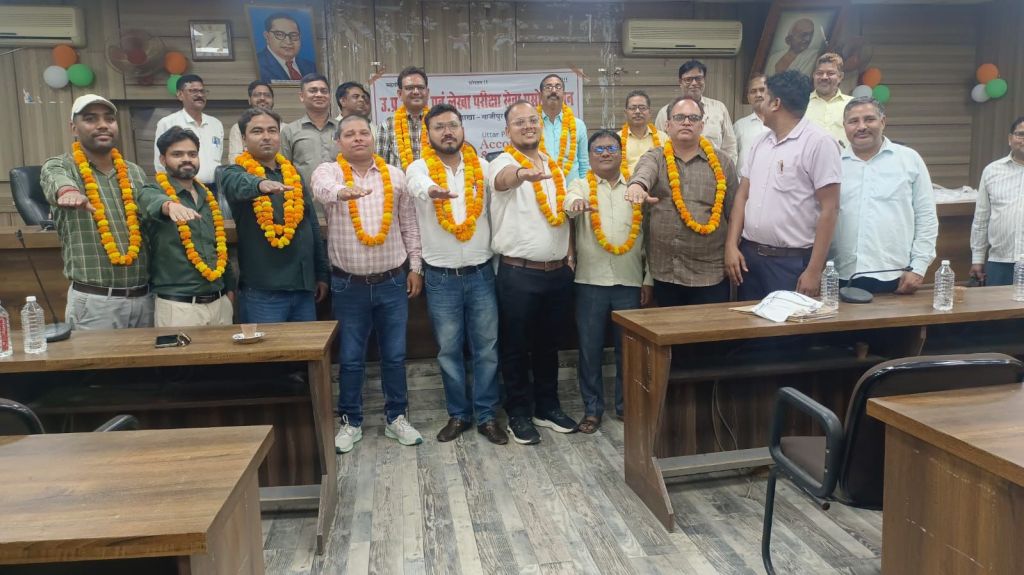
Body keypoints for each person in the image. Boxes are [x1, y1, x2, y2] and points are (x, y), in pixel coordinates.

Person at [311, 114, 424, 454]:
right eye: (350, 134)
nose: (358, 138)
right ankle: (351, 421)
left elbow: (409, 225)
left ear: (373, 139)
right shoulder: (329, 171)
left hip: (392, 282)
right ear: (338, 141)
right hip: (349, 286)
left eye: (364, 133)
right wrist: (343, 192)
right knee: (350, 357)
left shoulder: (394, 175)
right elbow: (320, 189)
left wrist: (415, 267)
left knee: (395, 355)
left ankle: (396, 418)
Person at [405, 104, 507, 445]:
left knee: (487, 349)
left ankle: (487, 416)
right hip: (441, 277)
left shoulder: (482, 167)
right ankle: (459, 414)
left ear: (463, 129)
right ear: (428, 133)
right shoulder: (419, 168)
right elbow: (416, 184)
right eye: (439, 127)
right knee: (448, 350)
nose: (447, 132)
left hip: (481, 273)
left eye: (453, 125)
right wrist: (430, 190)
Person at [488, 100, 577, 445]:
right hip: (518, 275)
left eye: (532, 120)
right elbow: (502, 181)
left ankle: (547, 407)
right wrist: (521, 175)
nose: (528, 126)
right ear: (507, 130)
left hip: (557, 273)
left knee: (548, 346)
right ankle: (518, 413)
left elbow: (560, 213)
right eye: (519, 122)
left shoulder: (552, 165)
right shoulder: (502, 162)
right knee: (515, 347)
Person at [724, 70, 841, 300]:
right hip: (750, 258)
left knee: (788, 323)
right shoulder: (760, 142)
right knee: (747, 321)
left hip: (791, 263)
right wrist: (731, 245)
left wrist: (814, 270)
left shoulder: (819, 143)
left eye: (765, 96)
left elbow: (830, 209)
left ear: (776, 103)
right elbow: (742, 196)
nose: (760, 101)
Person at [564, 131, 652, 433]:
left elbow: (648, 237)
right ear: (590, 156)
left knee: (628, 351)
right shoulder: (581, 185)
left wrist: (648, 279)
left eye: (611, 148)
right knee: (589, 351)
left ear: (620, 153)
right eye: (598, 149)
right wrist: (576, 204)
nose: (605, 153)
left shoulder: (636, 189)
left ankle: (627, 407)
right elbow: (568, 203)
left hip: (630, 282)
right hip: (590, 282)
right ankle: (592, 410)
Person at [41, 94, 153, 329]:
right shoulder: (61, 165)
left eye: (109, 119)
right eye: (91, 119)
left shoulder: (135, 172)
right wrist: (68, 191)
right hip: (95, 303)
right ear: (74, 128)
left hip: (145, 299)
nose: (103, 125)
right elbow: (56, 180)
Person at [219, 108, 330, 322]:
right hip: (264, 292)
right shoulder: (235, 173)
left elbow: (311, 225)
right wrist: (260, 185)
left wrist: (321, 274)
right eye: (257, 131)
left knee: (308, 344)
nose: (266, 136)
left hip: (304, 287)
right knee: (266, 345)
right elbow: (237, 185)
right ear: (244, 138)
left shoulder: (292, 173)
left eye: (272, 130)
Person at [626, 97, 738, 306]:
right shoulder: (655, 157)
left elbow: (734, 213)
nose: (686, 122)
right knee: (669, 326)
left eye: (693, 118)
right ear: (668, 125)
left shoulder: (723, 162)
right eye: (679, 117)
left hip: (710, 272)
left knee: (709, 327)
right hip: (666, 271)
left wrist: (733, 248)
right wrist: (637, 186)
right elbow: (643, 173)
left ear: (701, 125)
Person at [831, 97, 937, 294]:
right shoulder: (834, 164)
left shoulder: (909, 160)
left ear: (883, 122)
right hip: (841, 275)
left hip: (896, 276)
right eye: (853, 121)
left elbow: (927, 217)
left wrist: (918, 266)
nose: (861, 127)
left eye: (869, 119)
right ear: (844, 127)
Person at [138, 127, 236, 326]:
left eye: (192, 154)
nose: (186, 159)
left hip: (220, 303)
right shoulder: (153, 190)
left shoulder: (208, 198)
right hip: (179, 308)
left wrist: (230, 291)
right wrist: (169, 206)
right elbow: (150, 202)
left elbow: (219, 247)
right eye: (177, 154)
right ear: (163, 159)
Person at [970, 116, 1024, 286]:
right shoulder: (992, 171)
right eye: (1021, 134)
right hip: (1000, 261)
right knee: (997, 304)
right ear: (1010, 139)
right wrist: (977, 258)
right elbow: (981, 219)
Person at [153, 74, 223, 187]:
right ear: (180, 95)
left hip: (216, 187)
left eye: (202, 91)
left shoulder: (216, 123)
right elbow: (160, 163)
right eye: (193, 91)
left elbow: (218, 158)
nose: (200, 95)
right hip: (182, 188)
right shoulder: (167, 123)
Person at [281, 73, 339, 194]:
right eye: (313, 91)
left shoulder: (343, 129)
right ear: (302, 96)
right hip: (305, 200)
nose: (319, 94)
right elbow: (284, 168)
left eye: (324, 91)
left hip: (342, 199)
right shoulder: (290, 131)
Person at [538, 73, 589, 183]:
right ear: (540, 95)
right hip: (541, 188)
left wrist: (583, 189)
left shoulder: (578, 125)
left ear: (564, 94)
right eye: (548, 87)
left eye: (558, 87)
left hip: (572, 190)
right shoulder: (532, 125)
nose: (553, 91)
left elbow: (584, 163)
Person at [377, 66, 430, 170]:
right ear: (400, 94)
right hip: (400, 180)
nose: (416, 91)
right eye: (409, 88)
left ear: (427, 92)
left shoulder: (438, 123)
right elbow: (380, 167)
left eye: (420, 87)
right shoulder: (386, 126)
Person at [806, 53, 853, 148]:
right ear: (814, 75)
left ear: (840, 77)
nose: (824, 77)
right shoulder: (801, 103)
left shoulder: (852, 105)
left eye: (830, 73)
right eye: (819, 73)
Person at [620, 90, 669, 179]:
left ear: (650, 112)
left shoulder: (663, 138)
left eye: (642, 108)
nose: (637, 111)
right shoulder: (617, 139)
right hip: (626, 185)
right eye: (633, 108)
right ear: (625, 113)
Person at [257, 12, 316, 83]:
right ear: (267, 36)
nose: (288, 41)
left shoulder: (311, 67)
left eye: (293, 35)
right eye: (279, 34)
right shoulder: (258, 64)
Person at [228, 81, 274, 161]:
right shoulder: (238, 128)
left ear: (273, 100)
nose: (262, 98)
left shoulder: (285, 128)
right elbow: (234, 159)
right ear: (249, 100)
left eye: (267, 95)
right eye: (257, 95)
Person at [734, 75, 771, 172]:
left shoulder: (781, 124)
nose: (758, 94)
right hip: (744, 181)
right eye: (753, 91)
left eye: (762, 90)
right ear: (748, 98)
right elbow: (732, 157)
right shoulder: (739, 126)